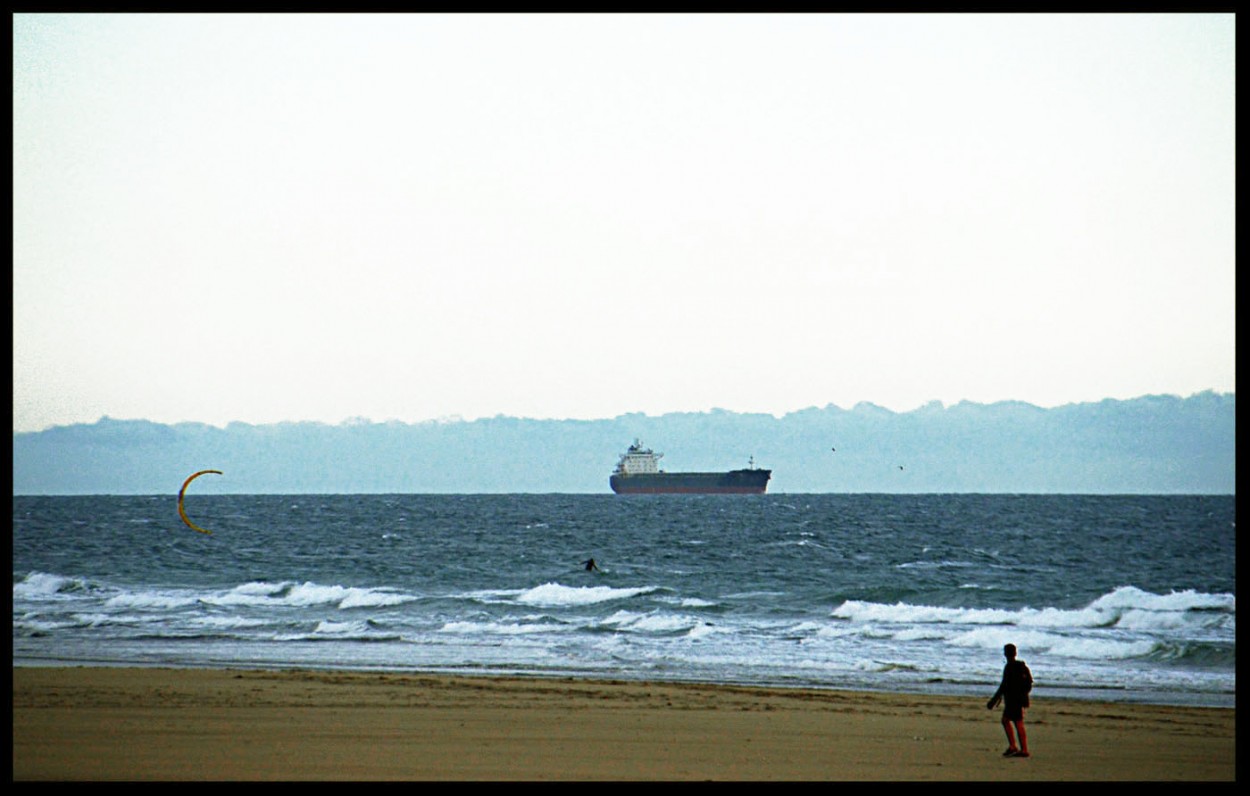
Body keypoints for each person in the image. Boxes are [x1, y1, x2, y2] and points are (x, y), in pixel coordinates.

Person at [987, 643, 1033, 758]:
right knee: (1015, 722)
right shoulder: (1022, 666)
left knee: (1011, 721)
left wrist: (993, 701)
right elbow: (1029, 683)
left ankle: (1019, 748)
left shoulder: (1009, 667)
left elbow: (1003, 686)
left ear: (1005, 654)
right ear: (1015, 653)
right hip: (1020, 699)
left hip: (1012, 700)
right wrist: (1024, 695)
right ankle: (1018, 747)